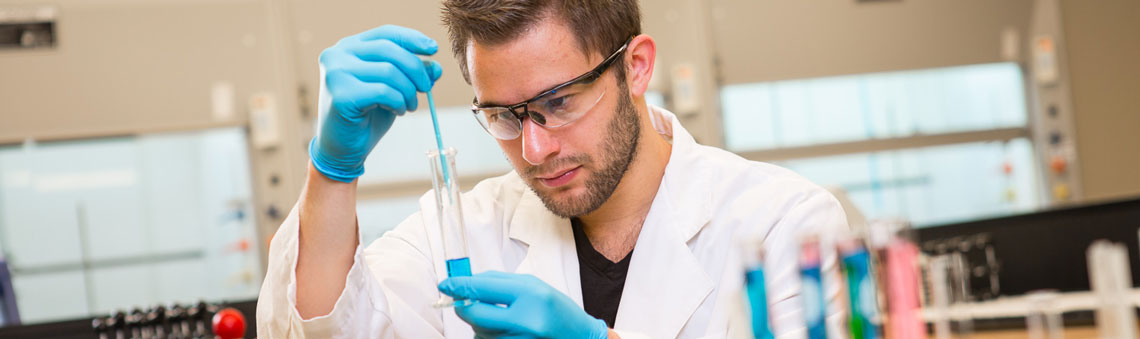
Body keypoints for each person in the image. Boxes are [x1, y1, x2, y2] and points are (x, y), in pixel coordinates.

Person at [256, 0, 849, 338]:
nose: (535, 150)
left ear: (636, 68)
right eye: (505, 116)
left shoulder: (783, 222)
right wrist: (334, 169)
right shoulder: (460, 232)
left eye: (558, 102)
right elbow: (325, 331)